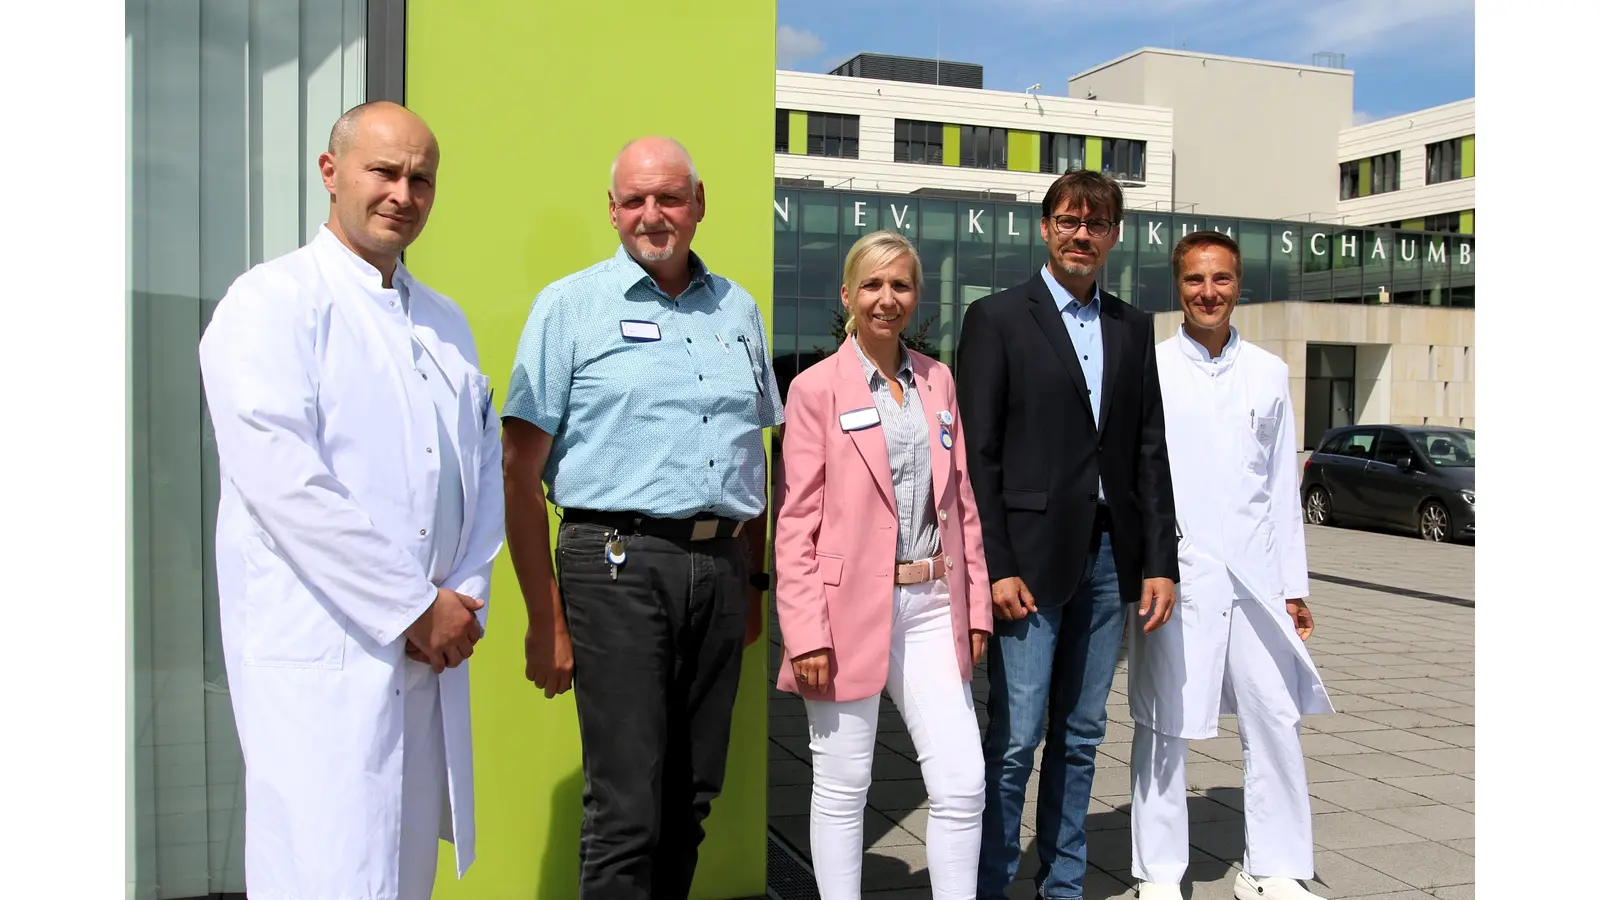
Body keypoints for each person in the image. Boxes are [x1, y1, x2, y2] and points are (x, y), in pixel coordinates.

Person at [198, 101, 503, 900]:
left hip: (429, 650)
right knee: (325, 869)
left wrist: (464, 599)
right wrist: (409, 606)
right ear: (331, 173)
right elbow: (284, 482)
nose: (404, 193)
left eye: (422, 178)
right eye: (385, 171)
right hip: (325, 655)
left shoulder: (445, 322)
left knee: (403, 874)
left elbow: (480, 474)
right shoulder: (270, 304)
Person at [500, 136, 783, 899]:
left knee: (690, 797)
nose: (652, 215)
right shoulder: (570, 307)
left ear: (698, 204)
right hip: (615, 564)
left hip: (720, 569)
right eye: (635, 200)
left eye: (669, 198)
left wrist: (752, 582)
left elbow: (751, 451)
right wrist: (544, 618)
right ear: (614, 210)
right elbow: (518, 470)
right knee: (627, 809)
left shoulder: (739, 309)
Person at [957, 169, 1181, 900]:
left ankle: (1063, 886)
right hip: (1028, 560)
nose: (1082, 234)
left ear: (1115, 236)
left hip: (1113, 558)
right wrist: (995, 564)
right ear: (1045, 228)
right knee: (1018, 739)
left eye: (1097, 223)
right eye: (1069, 220)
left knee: (1081, 736)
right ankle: (990, 884)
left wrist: (1159, 560)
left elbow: (1148, 448)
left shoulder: (1132, 325)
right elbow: (977, 457)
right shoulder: (996, 319)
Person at [774, 231, 993, 899]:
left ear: (915, 297)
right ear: (847, 296)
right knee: (844, 785)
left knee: (962, 782)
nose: (886, 298)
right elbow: (794, 522)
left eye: (900, 285)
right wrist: (804, 631)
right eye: (872, 285)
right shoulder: (816, 389)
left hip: (930, 603)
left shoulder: (938, 380)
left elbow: (961, 500)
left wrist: (975, 604)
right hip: (843, 612)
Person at [1127, 231, 1334, 900]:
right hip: (1176, 574)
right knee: (1164, 722)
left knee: (1273, 716)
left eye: (1220, 279)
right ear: (1177, 287)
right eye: (1194, 280)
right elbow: (1136, 479)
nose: (1207, 292)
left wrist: (1294, 588)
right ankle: (1159, 874)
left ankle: (1274, 868)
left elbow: (1280, 489)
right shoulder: (1150, 367)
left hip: (1256, 580)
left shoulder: (1269, 373)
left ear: (1238, 284)